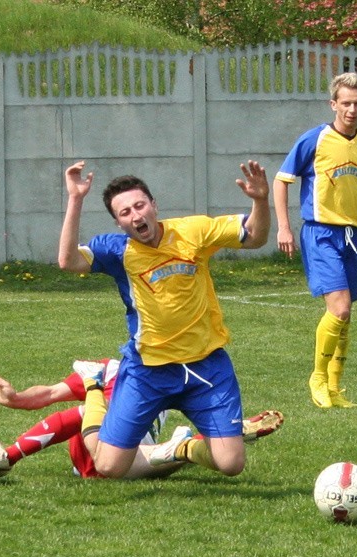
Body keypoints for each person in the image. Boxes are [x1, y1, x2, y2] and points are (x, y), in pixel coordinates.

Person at [58, 159, 271, 479]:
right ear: (119, 223)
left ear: (154, 205)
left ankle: (184, 447)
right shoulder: (118, 251)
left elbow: (254, 236)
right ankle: (94, 387)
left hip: (206, 366)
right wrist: (75, 199)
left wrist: (260, 200)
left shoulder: (193, 231)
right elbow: (68, 261)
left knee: (231, 464)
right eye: (125, 212)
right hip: (148, 372)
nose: (136, 215)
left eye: (139, 205)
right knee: (108, 467)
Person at [273, 72, 357, 409]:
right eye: (346, 103)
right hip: (320, 231)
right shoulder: (315, 140)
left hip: (350, 235)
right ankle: (318, 378)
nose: (351, 109)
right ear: (333, 104)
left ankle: (336, 388)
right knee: (337, 309)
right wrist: (284, 227)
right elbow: (282, 181)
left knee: (346, 314)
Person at [0, 360, 284, 478]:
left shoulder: (181, 376)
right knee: (83, 415)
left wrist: (224, 426)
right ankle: (7, 456)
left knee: (192, 456)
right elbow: (48, 394)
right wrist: (16, 398)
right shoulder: (111, 370)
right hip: (95, 455)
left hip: (137, 458)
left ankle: (187, 446)